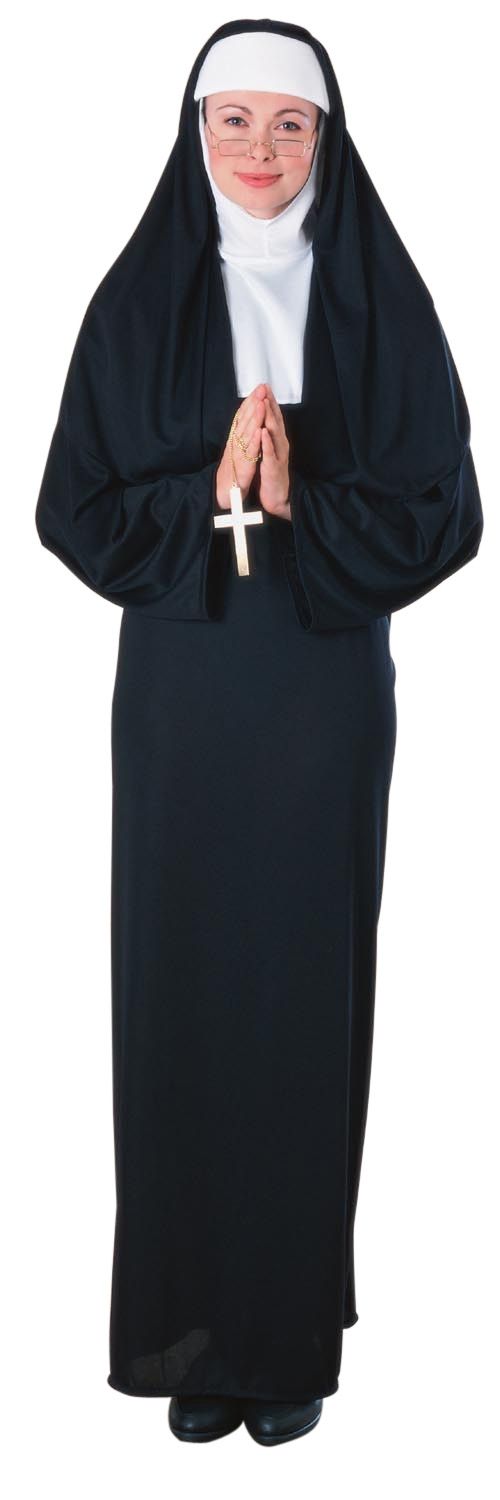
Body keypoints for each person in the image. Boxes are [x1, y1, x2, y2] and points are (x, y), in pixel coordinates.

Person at [34, 18, 484, 1448]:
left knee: (301, 997)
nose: (260, 148)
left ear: (328, 142)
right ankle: (187, 1340)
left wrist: (301, 503)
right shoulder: (137, 300)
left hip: (322, 687)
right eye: (232, 120)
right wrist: (204, 494)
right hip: (182, 693)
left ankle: (284, 1343)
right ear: (194, 136)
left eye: (290, 123)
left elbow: (446, 513)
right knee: (177, 995)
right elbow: (72, 508)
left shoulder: (382, 299)